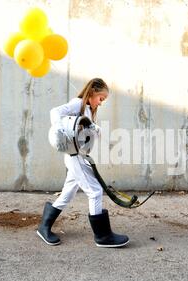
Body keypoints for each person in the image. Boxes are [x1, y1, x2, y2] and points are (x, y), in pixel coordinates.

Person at [37, 78, 129, 248]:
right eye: (101, 99)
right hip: (74, 157)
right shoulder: (77, 103)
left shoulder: (86, 110)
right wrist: (60, 132)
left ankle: (44, 227)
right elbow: (55, 112)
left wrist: (94, 128)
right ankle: (102, 236)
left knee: (68, 193)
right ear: (92, 92)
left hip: (78, 156)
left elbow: (84, 127)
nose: (101, 103)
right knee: (95, 191)